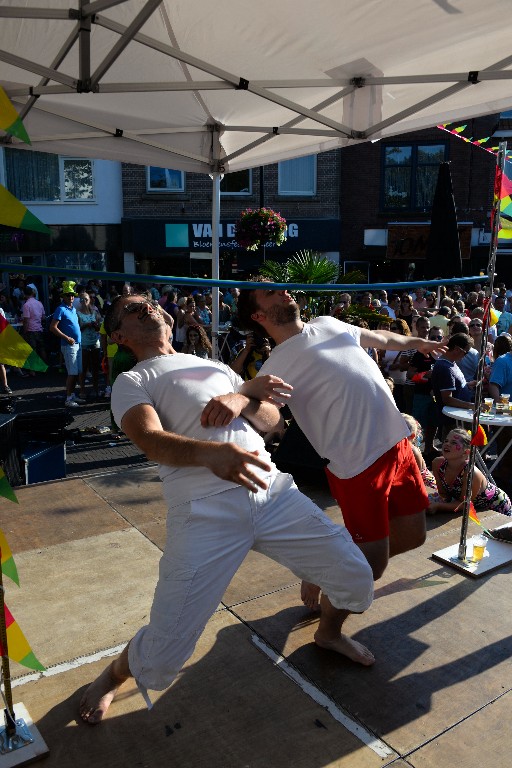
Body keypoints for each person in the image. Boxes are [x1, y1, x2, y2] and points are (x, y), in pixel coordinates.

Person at [79, 295, 375, 724]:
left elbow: (274, 421)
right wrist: (211, 455)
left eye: (149, 302)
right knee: (163, 657)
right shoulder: (133, 380)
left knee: (356, 578)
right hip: (202, 512)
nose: (146, 307)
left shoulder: (216, 366)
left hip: (273, 494)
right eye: (130, 308)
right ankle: (112, 676)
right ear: (119, 335)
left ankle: (328, 633)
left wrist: (243, 400)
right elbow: (149, 440)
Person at [237, 284, 447, 587]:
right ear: (258, 315)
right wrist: (244, 393)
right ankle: (328, 624)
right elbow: (269, 419)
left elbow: (383, 338)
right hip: (357, 466)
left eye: (282, 289)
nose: (284, 293)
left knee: (415, 536)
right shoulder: (276, 365)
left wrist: (417, 342)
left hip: (397, 444)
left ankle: (332, 569)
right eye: (271, 294)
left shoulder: (326, 322)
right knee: (372, 567)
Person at [429, 429, 512, 516]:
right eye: (446, 440)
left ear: (466, 452)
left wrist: (438, 506)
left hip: (495, 508)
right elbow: (443, 494)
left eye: (453, 443)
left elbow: (464, 504)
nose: (447, 444)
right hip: (473, 507)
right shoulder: (437, 464)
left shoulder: (471, 472)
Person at [50, 281, 84, 407]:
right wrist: (67, 337)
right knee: (72, 373)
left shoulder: (73, 309)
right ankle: (69, 398)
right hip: (69, 345)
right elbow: (52, 327)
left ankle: (72, 395)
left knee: (77, 372)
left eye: (72, 295)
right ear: (63, 296)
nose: (71, 297)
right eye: (68, 295)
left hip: (77, 344)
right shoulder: (60, 309)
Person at [77, 292, 102, 399]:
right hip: (84, 343)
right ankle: (82, 390)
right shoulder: (77, 313)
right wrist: (86, 325)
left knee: (95, 368)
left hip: (95, 343)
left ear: (89, 300)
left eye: (85, 299)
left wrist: (96, 325)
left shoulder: (95, 312)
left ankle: (95, 389)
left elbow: (100, 327)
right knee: (83, 368)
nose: (84, 302)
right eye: (81, 300)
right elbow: (77, 329)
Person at [22, 285, 47, 370]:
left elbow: (26, 320)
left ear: (25, 294)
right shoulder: (39, 303)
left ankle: (33, 370)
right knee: (42, 348)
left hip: (30, 330)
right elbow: (43, 317)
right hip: (39, 329)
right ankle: (44, 366)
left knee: (32, 350)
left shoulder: (26, 305)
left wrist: (24, 331)